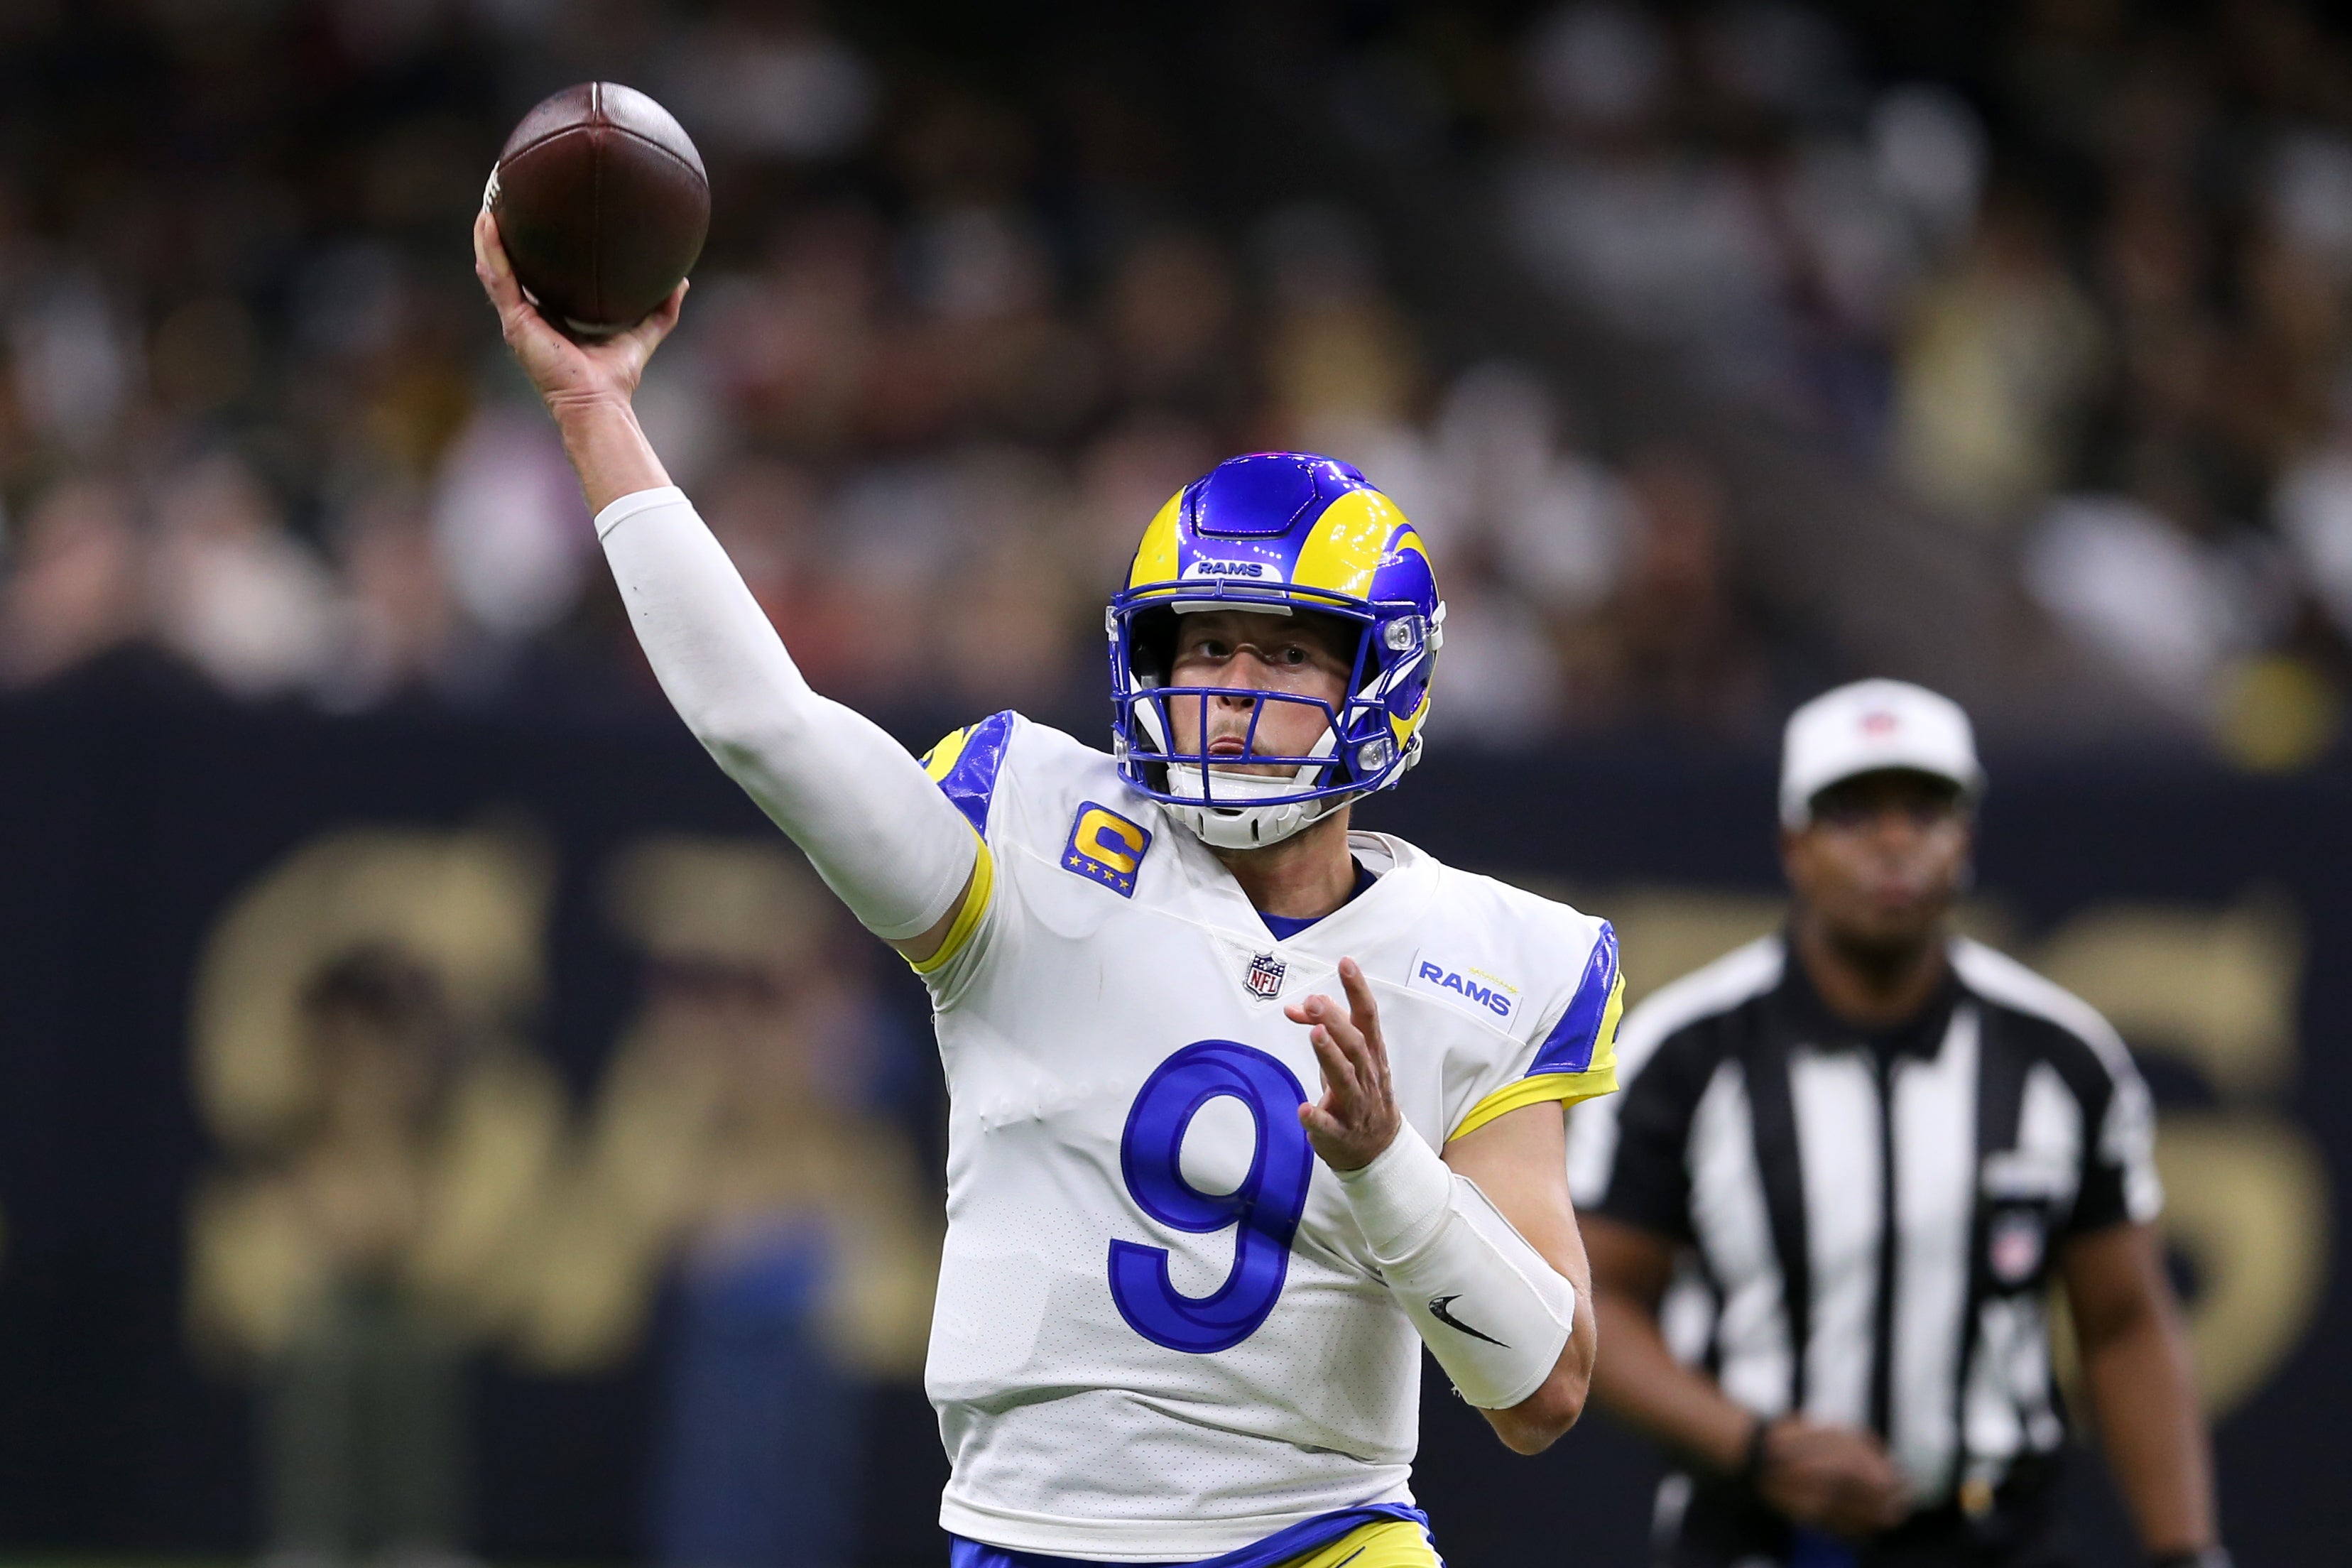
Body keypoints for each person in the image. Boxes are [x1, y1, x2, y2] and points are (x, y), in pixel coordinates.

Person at [474, 214, 1623, 1568]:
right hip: (1037, 1538)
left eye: (1281, 655)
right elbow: (762, 723)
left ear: (1383, 685)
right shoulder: (1029, 828)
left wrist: (1385, 1168)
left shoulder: (1486, 952)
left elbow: (1542, 1390)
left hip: (1324, 1538)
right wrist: (596, 412)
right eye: (1203, 649)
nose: (1232, 692)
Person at [1569, 680, 2228, 1568]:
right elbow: (1594, 1301)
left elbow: (2125, 1321)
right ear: (1793, 844)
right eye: (1852, 812)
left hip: (1993, 1533)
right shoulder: (1684, 1054)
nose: (1891, 842)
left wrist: (2186, 1552)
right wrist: (1751, 1444)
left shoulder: (2061, 1057)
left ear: (1966, 839)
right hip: (1750, 1534)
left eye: (1923, 810)